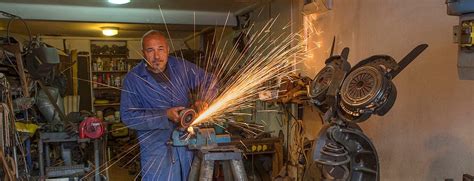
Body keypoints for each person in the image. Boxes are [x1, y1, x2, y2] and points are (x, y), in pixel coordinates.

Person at [120, 30, 215, 180]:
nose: (156, 56)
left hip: (186, 144)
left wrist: (204, 99)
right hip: (156, 149)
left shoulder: (182, 68)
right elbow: (128, 117)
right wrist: (164, 115)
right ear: (143, 52)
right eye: (150, 50)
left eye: (161, 49)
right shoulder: (133, 79)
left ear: (168, 50)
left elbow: (210, 80)